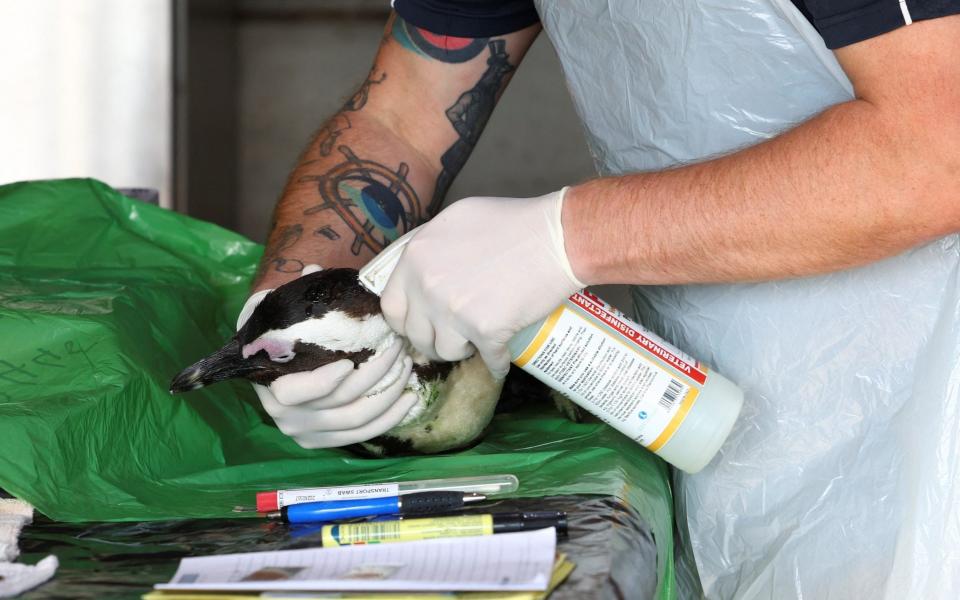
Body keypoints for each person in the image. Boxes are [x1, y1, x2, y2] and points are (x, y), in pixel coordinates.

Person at [245, 1, 960, 597]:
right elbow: (402, 117)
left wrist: (562, 239)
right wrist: (292, 298)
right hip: (721, 420)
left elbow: (939, 145)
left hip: (931, 426)